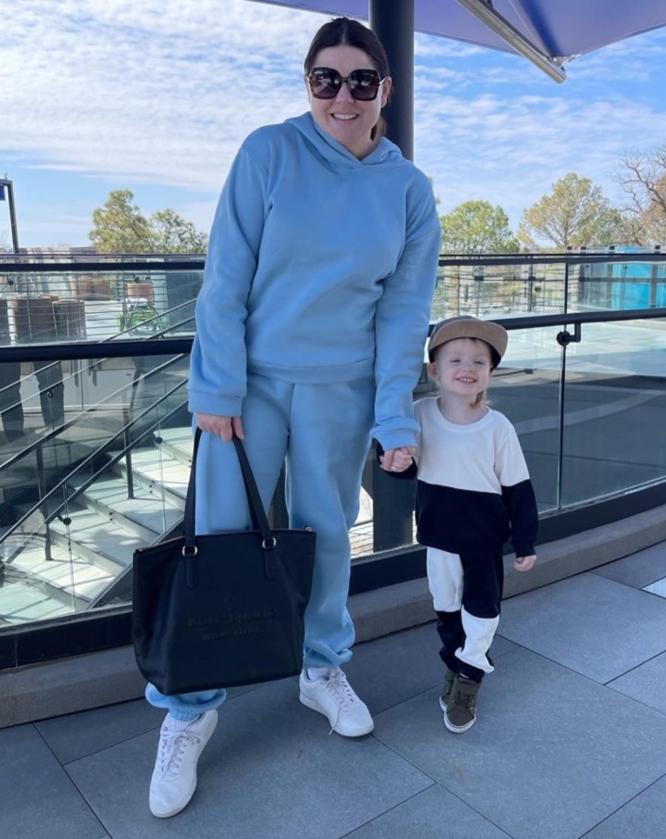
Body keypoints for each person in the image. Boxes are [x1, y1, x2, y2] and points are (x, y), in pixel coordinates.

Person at [145, 17, 440, 819]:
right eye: (324, 79)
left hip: (341, 392)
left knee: (325, 532)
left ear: (385, 89)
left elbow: (403, 314)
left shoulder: (408, 191)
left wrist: (395, 419)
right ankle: (189, 708)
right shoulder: (267, 153)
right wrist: (216, 388)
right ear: (308, 85)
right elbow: (226, 276)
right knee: (221, 536)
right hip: (250, 390)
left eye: (358, 81)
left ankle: (320, 668)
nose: (341, 96)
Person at [380, 316, 538, 733]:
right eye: (455, 360)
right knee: (447, 608)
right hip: (439, 538)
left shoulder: (497, 427)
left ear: (490, 372)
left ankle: (469, 678)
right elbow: (405, 467)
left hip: (484, 542)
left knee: (481, 612)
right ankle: (455, 661)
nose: (467, 368)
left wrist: (526, 542)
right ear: (434, 370)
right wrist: (393, 462)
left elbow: (519, 489)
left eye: (478, 362)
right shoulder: (419, 415)